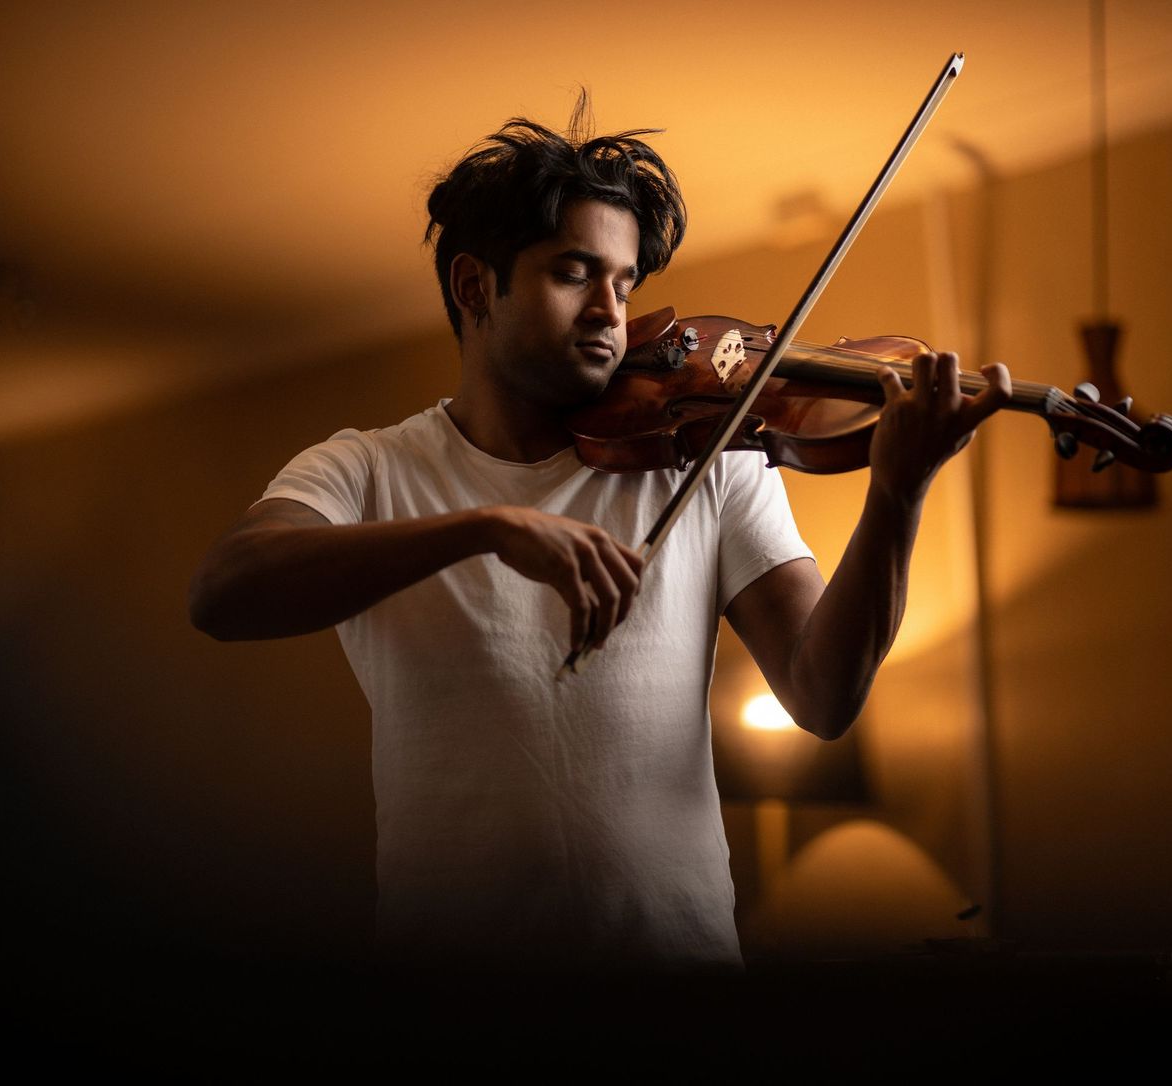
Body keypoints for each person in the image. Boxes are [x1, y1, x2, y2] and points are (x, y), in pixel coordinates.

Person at [188, 101, 1011, 974]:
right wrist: (484, 530)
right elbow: (226, 591)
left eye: (624, 284)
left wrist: (898, 491)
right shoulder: (367, 470)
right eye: (575, 273)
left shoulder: (708, 455)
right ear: (476, 288)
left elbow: (825, 694)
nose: (611, 312)